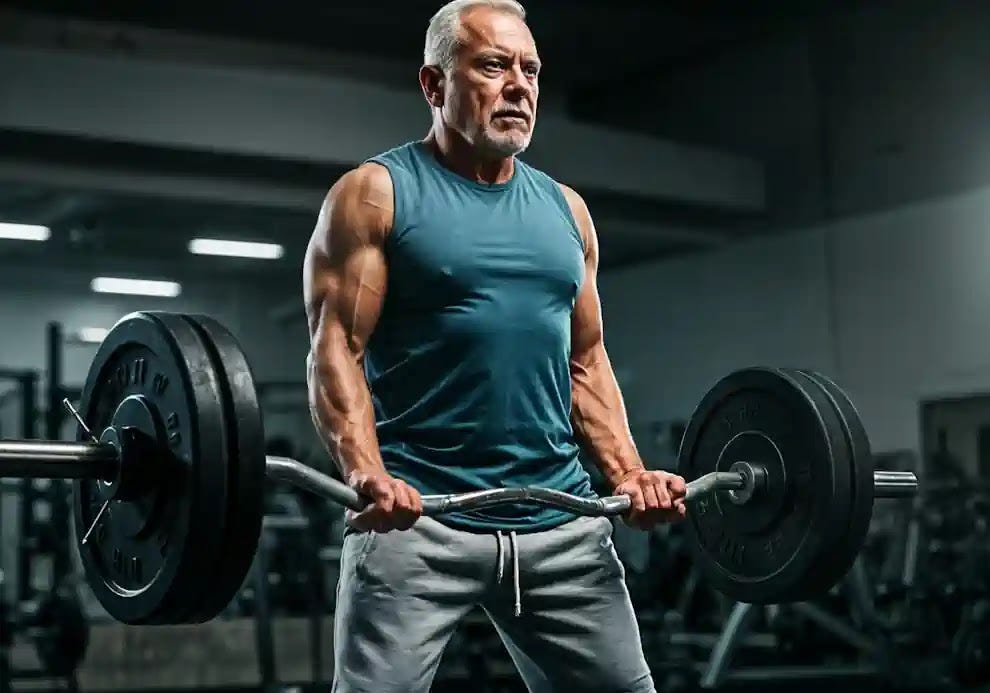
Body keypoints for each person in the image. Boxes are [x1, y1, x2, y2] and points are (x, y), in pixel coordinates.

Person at [304, 1, 687, 690]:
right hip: (418, 522)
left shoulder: (566, 210)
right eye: (493, 66)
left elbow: (586, 361)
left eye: (532, 70)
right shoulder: (374, 195)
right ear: (433, 84)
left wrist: (628, 473)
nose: (520, 86)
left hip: (562, 522)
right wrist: (366, 473)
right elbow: (335, 348)